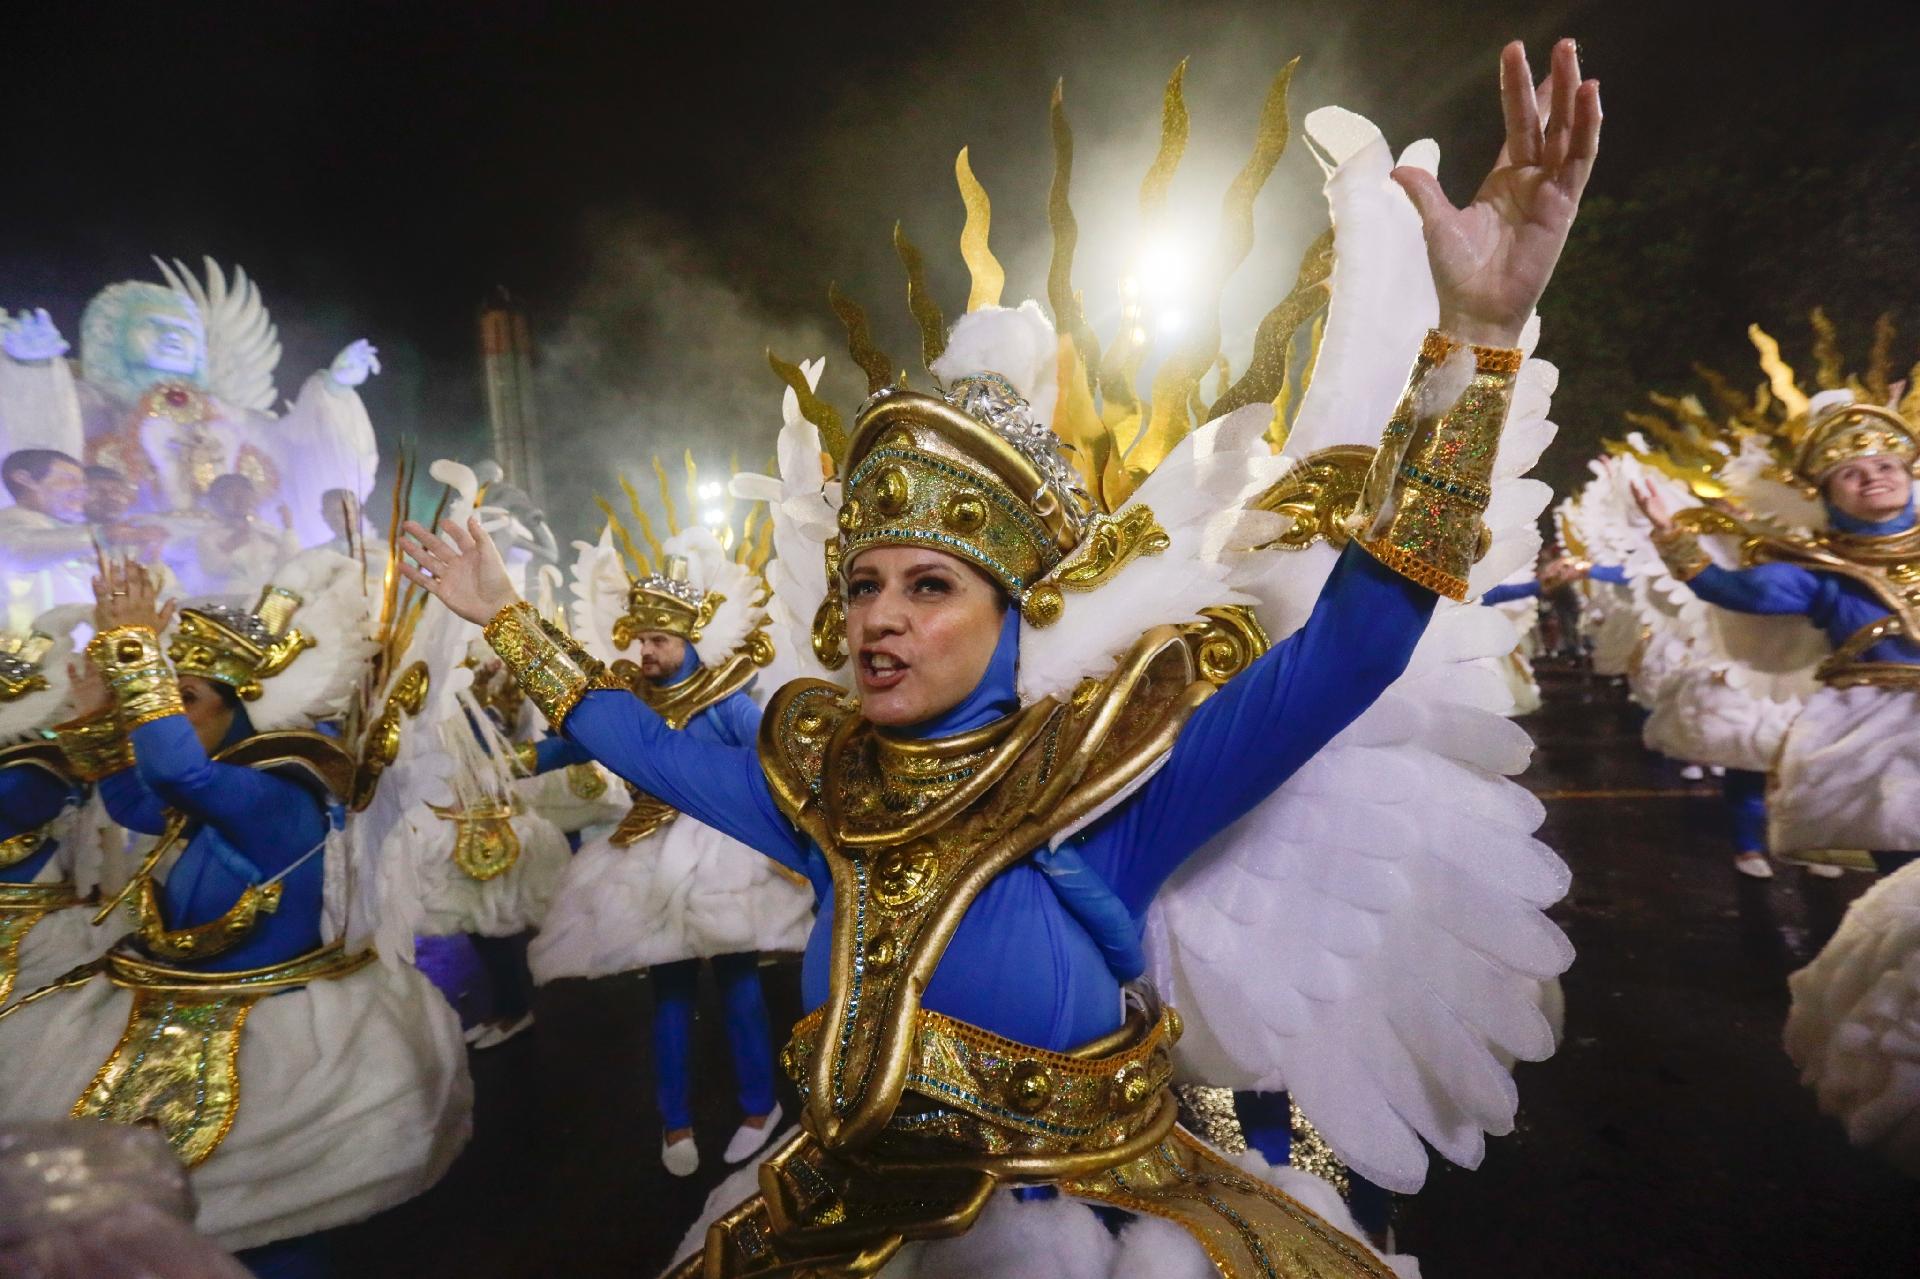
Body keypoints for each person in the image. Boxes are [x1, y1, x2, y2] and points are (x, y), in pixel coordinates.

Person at [404, 38, 1597, 1276]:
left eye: (929, 586)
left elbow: (1357, 642)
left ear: (1012, 615)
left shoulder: (1103, 772)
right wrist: (502, 617)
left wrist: (1483, 335)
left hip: (1091, 1231)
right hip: (841, 1216)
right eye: (863, 586)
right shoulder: (823, 788)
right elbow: (634, 740)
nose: (877, 617)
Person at [0, 553, 471, 1271]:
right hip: (164, 1005)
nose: (160, 709)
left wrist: (131, 649)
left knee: (273, 1215)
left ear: (241, 708)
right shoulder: (218, 792)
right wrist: (102, 707)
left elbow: (174, 771)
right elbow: (132, 799)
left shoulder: (280, 796)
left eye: (183, 696)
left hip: (276, 1043)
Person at [527, 526, 810, 1175]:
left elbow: (770, 752)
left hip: (722, 853)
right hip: (650, 849)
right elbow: (578, 740)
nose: (645, 649)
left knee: (739, 986)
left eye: (658, 640)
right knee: (671, 994)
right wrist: (516, 758)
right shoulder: (630, 699)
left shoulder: (725, 699)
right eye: (643, 639)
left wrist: (786, 824)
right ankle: (676, 1120)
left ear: (688, 640)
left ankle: (758, 1105)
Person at [1634, 390, 1920, 876]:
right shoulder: (1821, 571)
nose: (1872, 477)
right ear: (1826, 495)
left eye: (1886, 466)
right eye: (1851, 473)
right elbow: (1730, 590)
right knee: (1905, 859)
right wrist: (1670, 535)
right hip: (1879, 728)